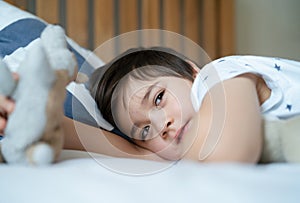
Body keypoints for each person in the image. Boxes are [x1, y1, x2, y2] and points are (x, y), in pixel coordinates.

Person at [1, 47, 300, 163]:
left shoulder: (219, 74)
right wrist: (50, 123)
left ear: (191, 71)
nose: (163, 127)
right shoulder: (180, 145)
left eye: (158, 98)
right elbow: (139, 156)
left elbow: (225, 156)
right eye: (144, 131)